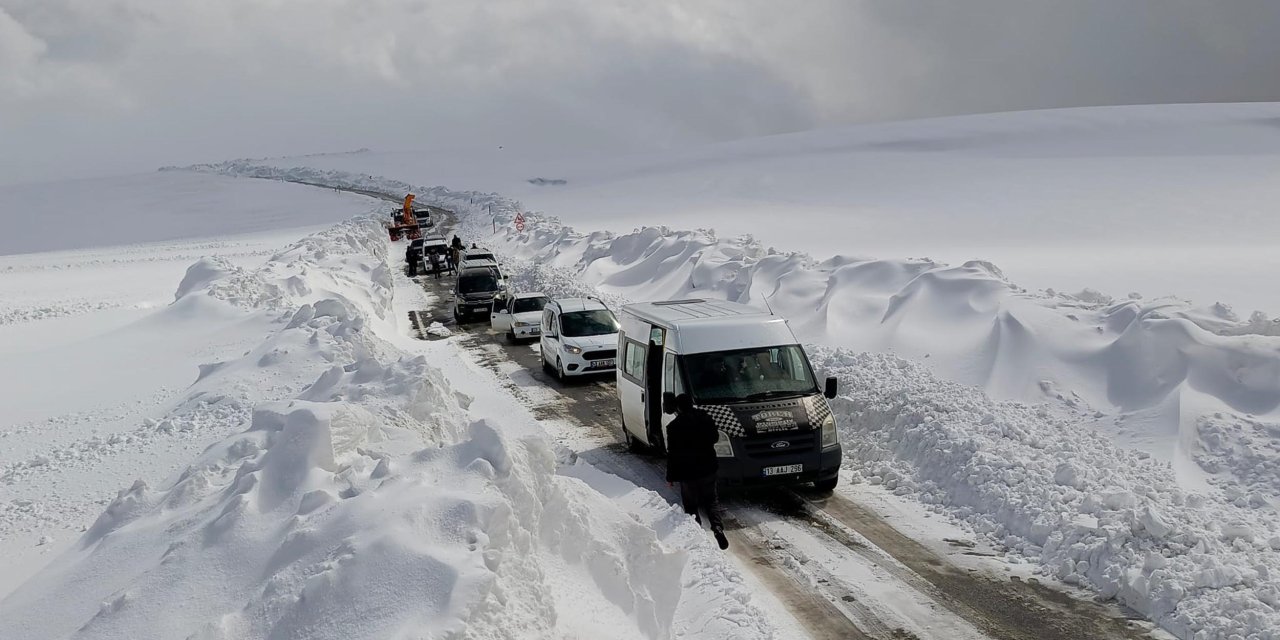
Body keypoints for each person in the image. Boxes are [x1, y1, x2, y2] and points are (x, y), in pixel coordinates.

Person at [666, 394, 728, 549]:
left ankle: (698, 534)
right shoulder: (705, 418)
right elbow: (714, 438)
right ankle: (717, 527)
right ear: (692, 403)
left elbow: (672, 454)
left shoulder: (673, 427)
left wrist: (670, 476)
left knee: (691, 505)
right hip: (708, 468)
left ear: (678, 407)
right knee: (711, 501)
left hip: (687, 473)